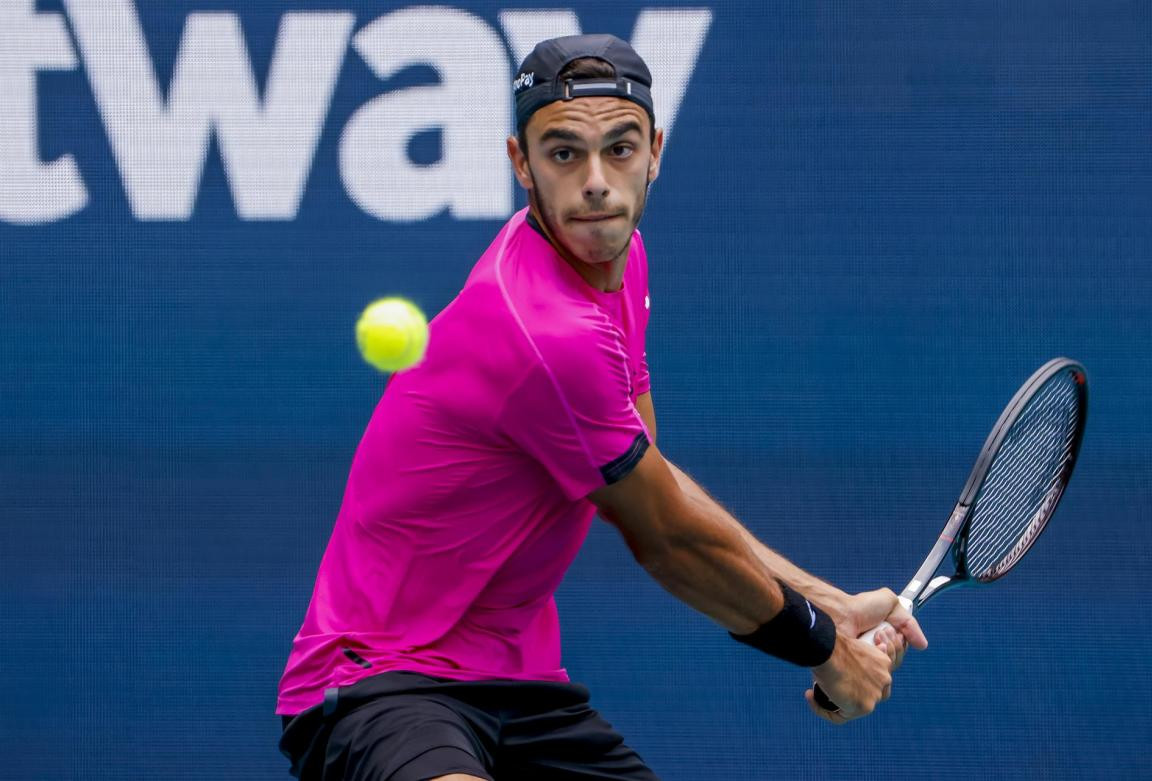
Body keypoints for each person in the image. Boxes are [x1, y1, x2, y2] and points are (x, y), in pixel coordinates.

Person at [276, 33, 927, 781]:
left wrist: (826, 603)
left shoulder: (620, 258)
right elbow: (668, 540)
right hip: (379, 682)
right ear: (521, 162)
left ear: (653, 150)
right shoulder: (545, 328)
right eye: (563, 154)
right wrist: (826, 649)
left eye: (618, 150)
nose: (596, 182)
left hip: (518, 686)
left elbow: (651, 484)